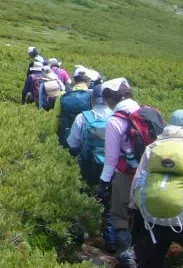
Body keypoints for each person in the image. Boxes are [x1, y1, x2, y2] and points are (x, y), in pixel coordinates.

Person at [99, 78, 165, 268]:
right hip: (151, 173)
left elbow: (111, 159)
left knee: (119, 213)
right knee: (144, 214)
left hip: (127, 174)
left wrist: (104, 183)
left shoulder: (115, 120)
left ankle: (126, 256)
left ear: (110, 98)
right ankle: (146, 252)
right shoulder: (149, 112)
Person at [130, 109, 183, 268]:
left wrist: (135, 209)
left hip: (152, 217)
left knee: (149, 262)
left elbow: (138, 182)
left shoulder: (154, 147)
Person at [68, 84, 115, 250]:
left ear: (93, 99)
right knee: (109, 206)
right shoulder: (116, 118)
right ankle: (110, 241)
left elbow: (72, 143)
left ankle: (77, 237)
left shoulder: (83, 117)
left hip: (87, 167)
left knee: (80, 200)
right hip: (111, 170)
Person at [55, 70, 93, 148]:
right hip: (84, 137)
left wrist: (55, 132)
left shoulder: (63, 94)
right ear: (88, 81)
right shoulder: (92, 95)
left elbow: (56, 116)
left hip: (65, 134)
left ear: (74, 80)